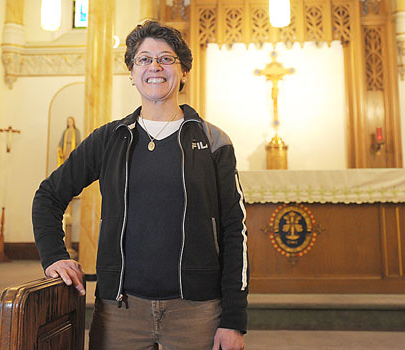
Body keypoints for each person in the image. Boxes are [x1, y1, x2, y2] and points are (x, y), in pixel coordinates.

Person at [32, 20, 248, 350]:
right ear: (132, 74)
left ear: (183, 71)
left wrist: (233, 319)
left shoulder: (213, 140)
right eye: (144, 59)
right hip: (120, 310)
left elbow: (235, 229)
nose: (155, 67)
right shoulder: (110, 139)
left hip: (196, 311)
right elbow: (48, 196)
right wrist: (53, 256)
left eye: (166, 58)